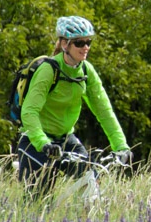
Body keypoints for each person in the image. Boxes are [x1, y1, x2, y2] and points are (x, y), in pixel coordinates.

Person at [17, 15, 132, 189]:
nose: (85, 47)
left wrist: (120, 145)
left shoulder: (86, 70)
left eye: (88, 42)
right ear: (65, 44)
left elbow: (104, 110)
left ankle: (87, 216)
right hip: (36, 141)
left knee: (91, 178)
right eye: (79, 43)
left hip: (65, 139)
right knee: (39, 201)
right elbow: (29, 111)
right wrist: (43, 143)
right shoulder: (48, 70)